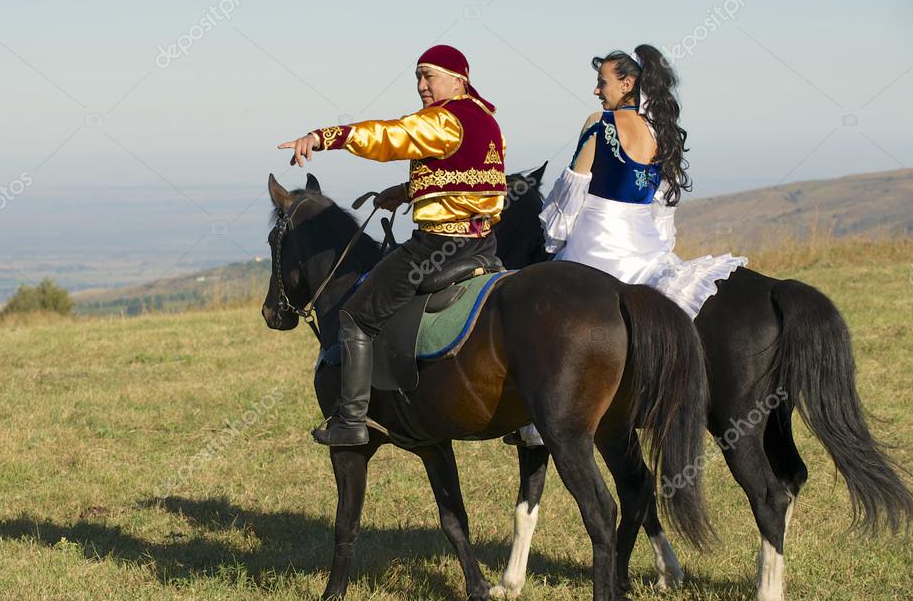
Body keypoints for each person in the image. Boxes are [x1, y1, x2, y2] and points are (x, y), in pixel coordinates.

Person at [513, 44, 747, 447]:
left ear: (627, 83)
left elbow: (571, 191)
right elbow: (660, 204)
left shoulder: (599, 123)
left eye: (602, 82)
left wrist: (555, 236)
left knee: (546, 318)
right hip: (641, 238)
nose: (595, 90)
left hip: (596, 235)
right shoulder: (660, 131)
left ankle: (540, 417)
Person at [278, 44, 507, 447]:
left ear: (459, 79)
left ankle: (349, 420)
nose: (421, 86)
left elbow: (388, 136)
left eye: (429, 76)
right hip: (483, 245)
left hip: (437, 246)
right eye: (418, 77)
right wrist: (406, 191)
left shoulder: (443, 120)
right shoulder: (485, 120)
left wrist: (322, 136)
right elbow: (470, 178)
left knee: (354, 316)